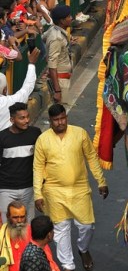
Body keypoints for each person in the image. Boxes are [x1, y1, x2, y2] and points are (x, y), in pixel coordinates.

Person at [33, 105, 108, 271]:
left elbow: (91, 158)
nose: (60, 122)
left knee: (87, 226)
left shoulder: (80, 133)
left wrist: (101, 181)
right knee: (61, 229)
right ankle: (68, 265)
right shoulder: (43, 140)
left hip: (79, 188)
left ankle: (83, 248)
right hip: (54, 191)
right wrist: (38, 194)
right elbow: (38, 168)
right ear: (51, 121)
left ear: (66, 116)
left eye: (62, 118)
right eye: (56, 120)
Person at [0, 104, 41, 221]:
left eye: (27, 117)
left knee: (27, 227)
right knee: (8, 226)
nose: (27, 120)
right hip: (6, 190)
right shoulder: (2, 137)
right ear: (12, 120)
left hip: (29, 189)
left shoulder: (35, 133)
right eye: (22, 118)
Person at [0, 202, 59, 271]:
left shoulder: (34, 231)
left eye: (22, 217)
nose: (19, 221)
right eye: (15, 217)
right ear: (8, 216)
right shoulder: (2, 234)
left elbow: (47, 257)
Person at [42, 7, 73, 105]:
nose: (71, 18)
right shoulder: (57, 38)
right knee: (60, 110)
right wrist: (57, 91)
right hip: (60, 81)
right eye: (68, 17)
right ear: (62, 21)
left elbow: (43, 37)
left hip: (63, 78)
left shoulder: (53, 30)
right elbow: (52, 65)